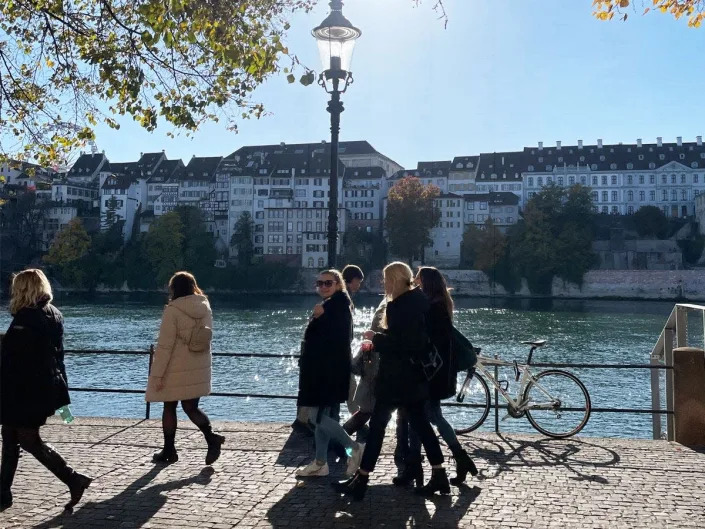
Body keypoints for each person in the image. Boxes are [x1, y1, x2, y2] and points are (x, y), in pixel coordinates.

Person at [333, 262, 450, 500]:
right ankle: (439, 473)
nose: (382, 283)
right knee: (422, 427)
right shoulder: (420, 301)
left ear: (393, 281)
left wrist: (376, 338)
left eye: (385, 279)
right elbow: (415, 340)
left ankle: (361, 480)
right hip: (416, 378)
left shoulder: (397, 306)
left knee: (377, 428)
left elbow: (401, 344)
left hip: (396, 379)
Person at [0, 269, 92, 512]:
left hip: (24, 390)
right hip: (44, 386)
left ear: (23, 289)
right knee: (9, 436)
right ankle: (2, 492)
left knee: (28, 440)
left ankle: (73, 479)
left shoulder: (26, 318)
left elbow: (14, 359)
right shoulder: (54, 314)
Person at [396, 267, 478, 487]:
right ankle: (458, 459)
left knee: (421, 418)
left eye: (418, 279)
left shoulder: (433, 307)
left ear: (426, 282)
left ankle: (421, 467)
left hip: (430, 374)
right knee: (432, 417)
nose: (415, 281)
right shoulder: (441, 303)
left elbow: (430, 341)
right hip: (438, 373)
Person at [145, 271, 224, 466]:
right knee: (191, 407)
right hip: (198, 366)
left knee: (169, 407)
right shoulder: (205, 307)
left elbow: (165, 346)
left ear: (174, 289)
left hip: (175, 367)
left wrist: (157, 375)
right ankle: (211, 437)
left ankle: (169, 451)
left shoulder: (172, 310)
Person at [295, 270, 365, 478]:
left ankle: (353, 449)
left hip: (325, 372)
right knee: (323, 418)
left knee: (317, 418)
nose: (323, 286)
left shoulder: (334, 307)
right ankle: (320, 462)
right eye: (319, 283)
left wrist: (317, 318)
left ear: (338, 284)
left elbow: (330, 341)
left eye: (328, 283)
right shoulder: (336, 304)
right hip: (327, 370)